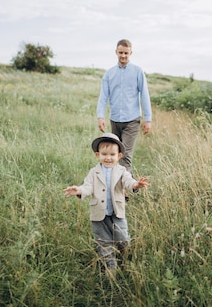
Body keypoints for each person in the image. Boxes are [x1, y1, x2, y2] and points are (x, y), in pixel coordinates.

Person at [63, 133, 150, 273]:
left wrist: (135, 185)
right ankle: (110, 267)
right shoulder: (94, 172)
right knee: (103, 242)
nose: (108, 158)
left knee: (123, 239)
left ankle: (124, 258)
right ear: (97, 155)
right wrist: (78, 190)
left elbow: (128, 181)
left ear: (119, 156)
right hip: (99, 214)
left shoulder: (122, 171)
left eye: (112, 154)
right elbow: (88, 186)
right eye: (104, 154)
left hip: (117, 212)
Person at [96, 39, 152, 173]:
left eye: (126, 53)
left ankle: (124, 191)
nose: (123, 56)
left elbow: (144, 95)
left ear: (131, 53)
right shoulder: (109, 74)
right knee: (115, 154)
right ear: (116, 52)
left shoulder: (138, 72)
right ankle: (126, 183)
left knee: (125, 155)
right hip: (115, 120)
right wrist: (100, 116)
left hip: (132, 120)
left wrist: (148, 119)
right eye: (120, 52)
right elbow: (103, 96)